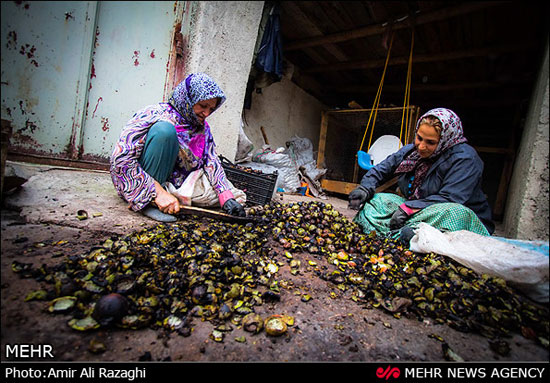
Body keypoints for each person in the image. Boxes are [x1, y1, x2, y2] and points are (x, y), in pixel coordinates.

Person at [110, 72, 246, 222]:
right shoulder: (153, 114)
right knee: (165, 132)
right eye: (203, 106)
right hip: (146, 181)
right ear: (188, 98)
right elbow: (121, 159)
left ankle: (169, 198)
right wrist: (158, 192)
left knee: (230, 194)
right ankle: (149, 201)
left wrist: (225, 197)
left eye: (211, 109)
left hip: (176, 184)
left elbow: (211, 161)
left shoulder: (202, 128)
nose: (206, 113)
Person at [348, 107, 494, 244]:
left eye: (430, 142)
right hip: (417, 209)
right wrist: (365, 188)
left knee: (456, 212)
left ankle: (416, 235)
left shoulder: (465, 159)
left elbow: (450, 198)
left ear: (445, 140)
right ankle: (411, 235)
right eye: (419, 138)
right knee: (378, 200)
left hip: (447, 215)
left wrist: (409, 208)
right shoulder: (412, 151)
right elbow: (383, 169)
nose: (421, 146)